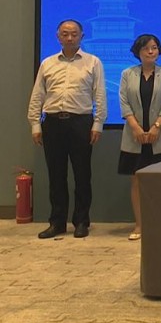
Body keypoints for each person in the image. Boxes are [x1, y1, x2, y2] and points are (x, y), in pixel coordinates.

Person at [27, 19, 107, 239]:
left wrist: (98, 123)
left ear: (82, 36)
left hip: (80, 123)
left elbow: (99, 95)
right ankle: (57, 222)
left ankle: (81, 222)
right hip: (52, 123)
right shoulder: (47, 63)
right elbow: (38, 95)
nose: (69, 37)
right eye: (65, 34)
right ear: (58, 36)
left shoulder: (93, 62)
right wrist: (35, 124)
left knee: (82, 175)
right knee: (56, 176)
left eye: (74, 34)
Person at [117, 34, 161, 241]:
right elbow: (124, 102)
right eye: (146, 48)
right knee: (137, 180)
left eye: (154, 47)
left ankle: (159, 224)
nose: (151, 51)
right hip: (134, 137)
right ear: (138, 51)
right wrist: (135, 127)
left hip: (159, 136)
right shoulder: (127, 74)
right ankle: (140, 225)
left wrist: (156, 127)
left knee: (160, 182)